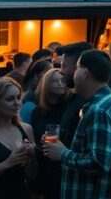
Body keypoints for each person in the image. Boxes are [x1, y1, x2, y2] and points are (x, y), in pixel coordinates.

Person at [43, 49, 111, 199]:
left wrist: (63, 153)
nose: (73, 74)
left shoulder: (100, 110)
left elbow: (99, 163)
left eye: (77, 69)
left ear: (85, 72)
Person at [29, 67, 70, 199]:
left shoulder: (69, 108)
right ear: (46, 85)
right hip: (42, 164)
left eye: (63, 80)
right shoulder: (38, 111)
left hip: (61, 165)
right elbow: (33, 138)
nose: (61, 84)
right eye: (56, 81)